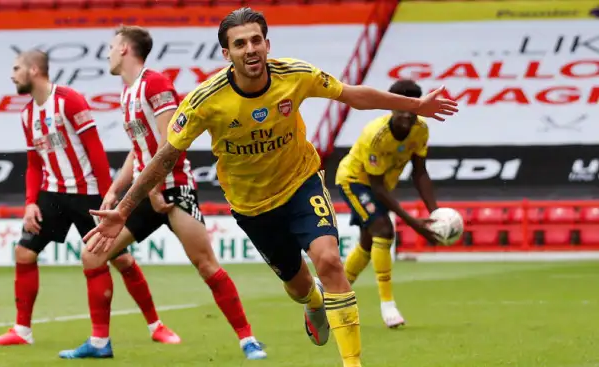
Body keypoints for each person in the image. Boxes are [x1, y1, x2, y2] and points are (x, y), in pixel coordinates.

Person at [83, 8, 458, 367]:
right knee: (298, 288)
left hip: (301, 183)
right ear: (226, 52)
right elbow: (165, 155)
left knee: (329, 260)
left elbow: (351, 94)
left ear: (267, 44)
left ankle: (352, 362)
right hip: (253, 206)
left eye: (256, 40)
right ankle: (313, 303)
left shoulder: (295, 74)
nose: (251, 49)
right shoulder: (204, 100)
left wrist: (415, 104)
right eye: (241, 43)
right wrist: (124, 207)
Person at [58, 25, 266, 361]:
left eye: (112, 46)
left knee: (206, 265)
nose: (108, 53)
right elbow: (138, 150)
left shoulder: (155, 84)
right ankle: (99, 343)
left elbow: (171, 140)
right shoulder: (128, 93)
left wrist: (155, 188)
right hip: (145, 195)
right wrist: (114, 190)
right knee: (93, 254)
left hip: (173, 191)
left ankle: (248, 340)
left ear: (125, 48)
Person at [0, 50, 181, 347]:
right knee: (24, 252)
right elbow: (34, 163)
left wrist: (107, 197)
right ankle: (22, 331)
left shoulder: (69, 99)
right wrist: (30, 202)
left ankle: (156, 325)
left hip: (87, 194)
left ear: (35, 69)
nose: (12, 75)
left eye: (17, 68)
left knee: (121, 259)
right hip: (52, 194)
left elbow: (95, 150)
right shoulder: (27, 114)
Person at [337, 80, 440, 329]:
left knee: (367, 243)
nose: (405, 113)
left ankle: (334, 296)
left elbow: (420, 173)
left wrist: (436, 213)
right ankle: (387, 305)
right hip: (355, 182)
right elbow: (377, 186)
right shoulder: (376, 135)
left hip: (380, 186)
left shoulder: (420, 130)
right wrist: (413, 222)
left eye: (411, 107)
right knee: (383, 230)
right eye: (399, 106)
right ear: (390, 107)